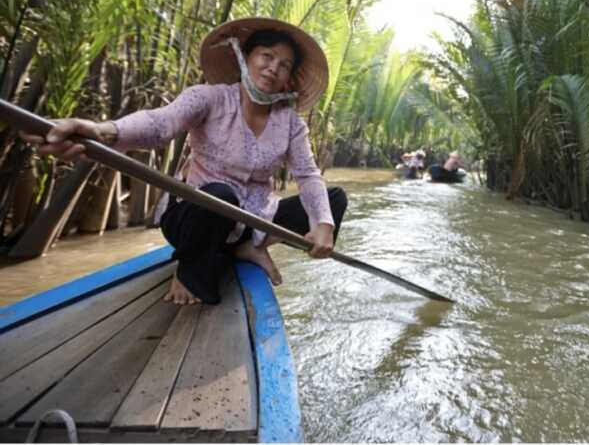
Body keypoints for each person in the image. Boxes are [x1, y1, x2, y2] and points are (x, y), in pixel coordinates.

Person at [21, 17, 347, 305]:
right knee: (220, 197)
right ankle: (191, 267)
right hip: (195, 216)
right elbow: (160, 124)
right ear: (244, 58)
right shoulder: (209, 98)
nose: (273, 67)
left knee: (333, 201)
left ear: (288, 79)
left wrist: (323, 224)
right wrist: (102, 131)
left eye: (284, 65)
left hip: (251, 220)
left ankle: (244, 247)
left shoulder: (290, 123)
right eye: (267, 55)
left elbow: (307, 175)